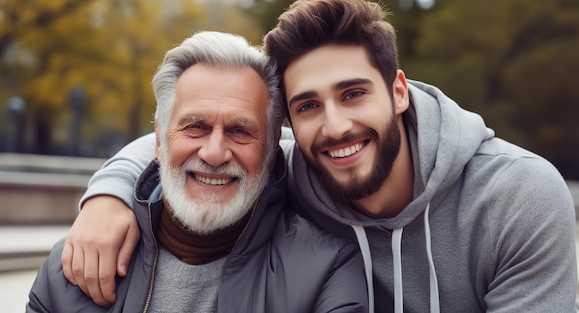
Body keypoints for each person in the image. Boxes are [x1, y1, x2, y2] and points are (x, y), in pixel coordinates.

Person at [61, 0, 578, 312]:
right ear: (289, 121)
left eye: (353, 93)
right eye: (309, 106)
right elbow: (196, 140)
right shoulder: (295, 171)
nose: (335, 127)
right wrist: (108, 195)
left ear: (398, 91)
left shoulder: (517, 197)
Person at [26, 31, 368, 313]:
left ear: (270, 149)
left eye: (240, 131)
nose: (215, 154)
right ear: (158, 141)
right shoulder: (71, 268)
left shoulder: (328, 271)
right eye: (195, 127)